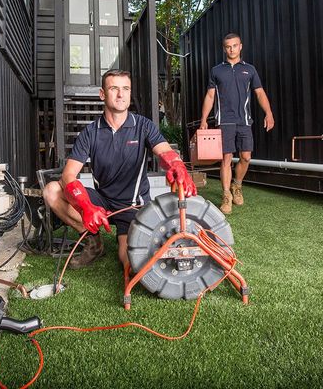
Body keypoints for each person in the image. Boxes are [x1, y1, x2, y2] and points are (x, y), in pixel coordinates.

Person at [43, 69, 197, 270]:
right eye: (114, 88)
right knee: (51, 190)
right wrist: (85, 206)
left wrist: (176, 164)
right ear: (102, 94)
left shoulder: (143, 126)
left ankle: (124, 240)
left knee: (130, 263)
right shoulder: (90, 132)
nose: (120, 94)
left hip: (133, 206)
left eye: (125, 89)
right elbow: (68, 176)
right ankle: (93, 241)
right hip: (102, 201)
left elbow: (164, 152)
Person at [199, 33, 274, 215]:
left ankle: (237, 185)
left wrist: (269, 113)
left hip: (244, 121)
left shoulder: (250, 69)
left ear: (240, 46)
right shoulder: (217, 70)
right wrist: (203, 121)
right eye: (228, 46)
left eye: (234, 45)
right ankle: (226, 196)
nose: (231, 49)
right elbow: (210, 96)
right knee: (226, 159)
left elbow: (260, 93)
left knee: (246, 157)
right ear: (224, 48)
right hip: (224, 121)